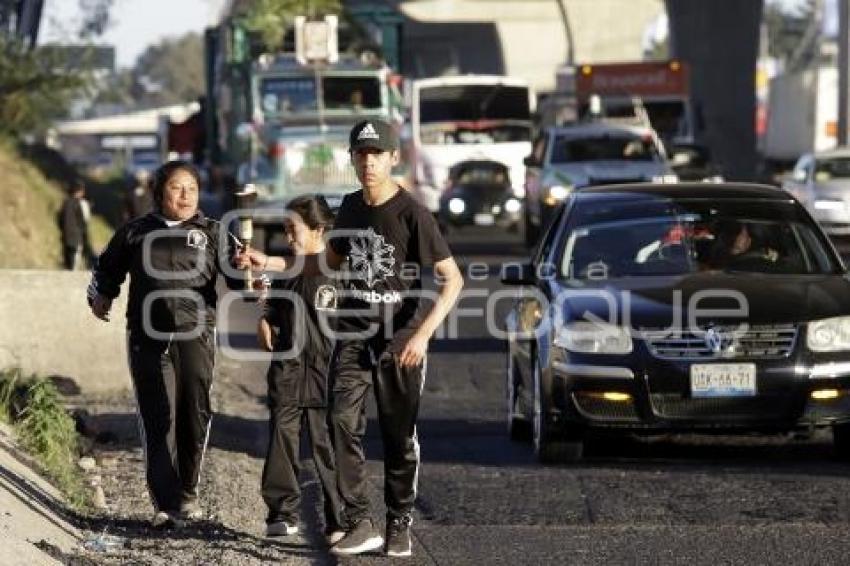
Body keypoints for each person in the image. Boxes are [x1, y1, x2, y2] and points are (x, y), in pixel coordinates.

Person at [236, 119, 464, 558]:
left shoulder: (413, 214)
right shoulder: (350, 209)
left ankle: (399, 521)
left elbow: (451, 281)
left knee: (398, 436)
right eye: (361, 154)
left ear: (394, 158)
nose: (369, 162)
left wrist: (420, 335)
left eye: (377, 154)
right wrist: (267, 261)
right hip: (355, 335)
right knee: (340, 420)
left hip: (400, 340)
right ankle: (360, 519)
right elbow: (321, 264)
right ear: (353, 160)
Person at [87, 160, 241, 529]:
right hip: (146, 336)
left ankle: (188, 492)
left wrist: (251, 275)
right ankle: (166, 502)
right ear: (160, 193)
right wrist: (102, 295)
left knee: (194, 412)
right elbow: (108, 268)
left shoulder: (215, 232)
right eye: (176, 187)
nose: (185, 195)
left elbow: (241, 280)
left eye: (192, 187)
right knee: (158, 417)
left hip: (197, 335)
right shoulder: (135, 232)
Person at [257, 195, 346, 544]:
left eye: (292, 227)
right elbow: (275, 314)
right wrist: (265, 317)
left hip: (328, 372)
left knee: (327, 447)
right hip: (288, 369)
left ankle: (339, 518)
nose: (287, 233)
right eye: (285, 227)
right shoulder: (286, 268)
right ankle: (281, 512)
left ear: (318, 230)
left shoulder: (339, 269)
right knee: (282, 439)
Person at [58, 180, 94, 270]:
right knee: (74, 264)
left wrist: (63, 230)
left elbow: (59, 219)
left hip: (65, 236)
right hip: (77, 237)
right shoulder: (82, 203)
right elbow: (85, 221)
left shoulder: (65, 203)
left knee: (67, 262)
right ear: (81, 191)